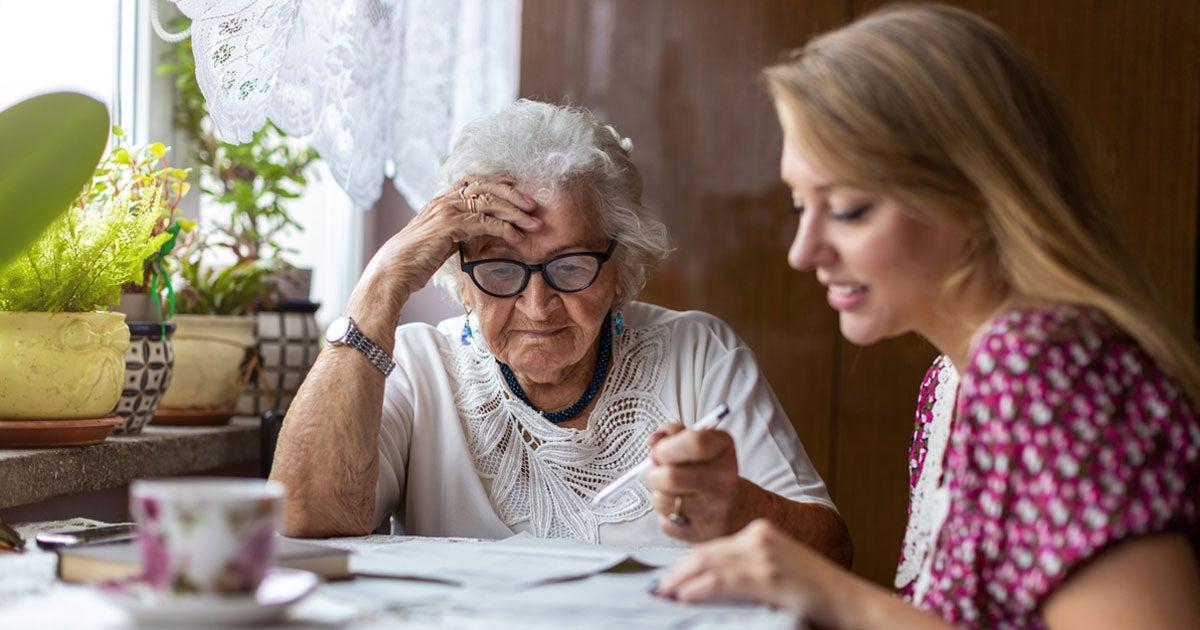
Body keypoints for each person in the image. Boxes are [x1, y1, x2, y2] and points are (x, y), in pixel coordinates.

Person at [654, 4, 1200, 628]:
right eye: (800, 205)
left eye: (850, 209)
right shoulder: (950, 384)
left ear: (974, 194)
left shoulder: (1045, 369)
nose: (802, 253)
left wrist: (832, 593)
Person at [270, 100, 852, 562]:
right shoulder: (420, 368)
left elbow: (831, 551)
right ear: (463, 276)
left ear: (620, 267)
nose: (537, 304)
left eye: (570, 266)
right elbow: (300, 520)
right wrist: (381, 285)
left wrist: (737, 505)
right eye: (499, 268)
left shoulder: (697, 354)